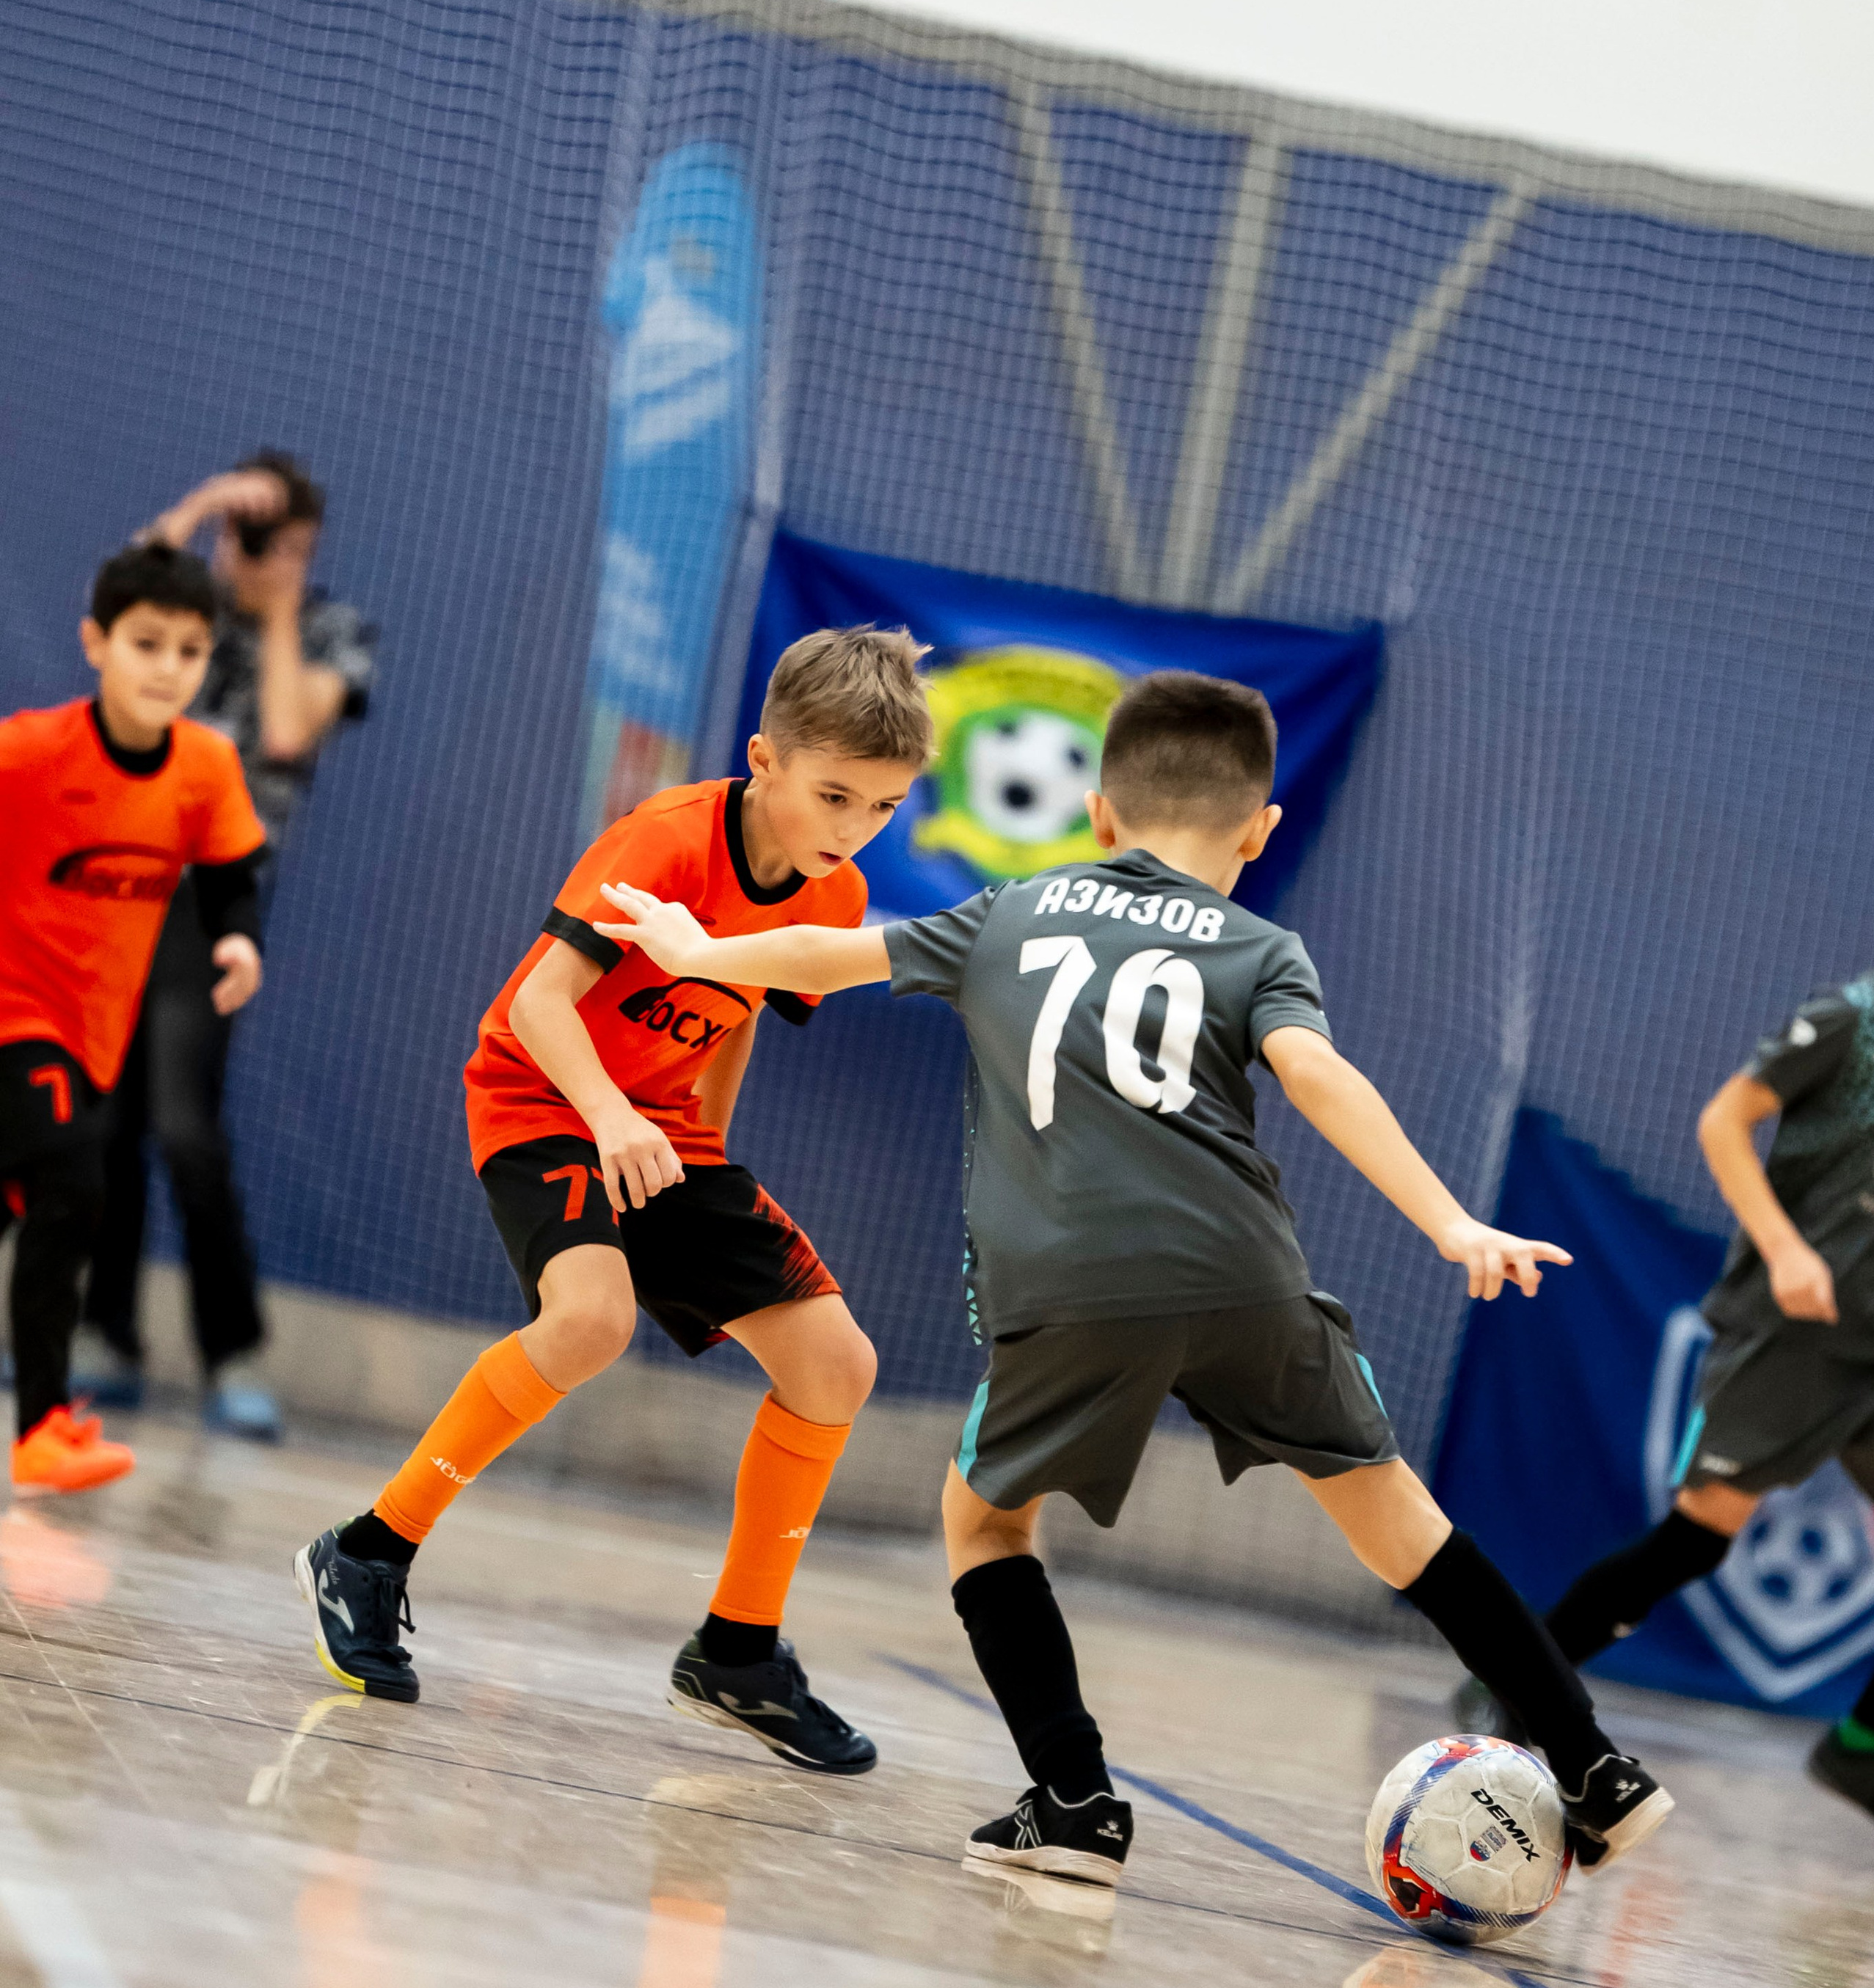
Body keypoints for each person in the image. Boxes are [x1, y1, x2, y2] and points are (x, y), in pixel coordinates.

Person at [600, 669, 1674, 1888]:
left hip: (1069, 1287)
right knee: (1402, 1524)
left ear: (1099, 815)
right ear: (1259, 833)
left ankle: (1073, 1803)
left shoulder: (1010, 912)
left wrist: (701, 944)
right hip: (1246, 1276)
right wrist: (1448, 1219)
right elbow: (1318, 1078)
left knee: (987, 1522)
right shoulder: (1265, 945)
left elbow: (830, 954)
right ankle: (1591, 1763)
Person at [291, 625, 933, 1767]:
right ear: (765, 759)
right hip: (541, 1099)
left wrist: (702, 1151)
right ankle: (368, 1550)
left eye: (882, 808)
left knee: (839, 1364)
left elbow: (738, 1016)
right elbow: (542, 1002)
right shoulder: (668, 839)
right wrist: (614, 1115)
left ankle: (738, 1651)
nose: (853, 830)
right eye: (836, 795)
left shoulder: (837, 901)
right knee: (590, 1320)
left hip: (661, 1132)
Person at [1455, 976, 1874, 1830]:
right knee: (1697, 1536)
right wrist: (1786, 1248)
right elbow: (1724, 1119)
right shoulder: (1852, 1022)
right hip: (1796, 1327)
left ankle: (1859, 1750)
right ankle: (1517, 1681)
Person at [81, 453, 376, 1436]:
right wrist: (204, 503)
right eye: (249, 540)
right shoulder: (184, 618)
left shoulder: (333, 631)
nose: (254, 559)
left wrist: (282, 599)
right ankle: (108, 1337)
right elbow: (118, 599)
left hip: (215, 901)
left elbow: (289, 733)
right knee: (106, 1121)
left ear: (308, 549)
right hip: (124, 884)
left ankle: (231, 1351)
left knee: (182, 1122)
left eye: (278, 542)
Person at [0, 543, 267, 1494]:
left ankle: (42, 1417)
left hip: (93, 1033)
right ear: (95, 642)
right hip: (13, 1017)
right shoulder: (30, 751)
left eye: (190, 650)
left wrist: (237, 941)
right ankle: (40, 1424)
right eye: (146, 642)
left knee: (51, 1200)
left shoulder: (204, 764)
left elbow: (233, 871)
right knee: (75, 1179)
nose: (168, 667)